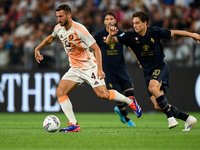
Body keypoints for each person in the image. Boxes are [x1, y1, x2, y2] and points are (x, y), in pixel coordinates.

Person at [34, 4, 142, 133]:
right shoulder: (58, 28)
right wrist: (37, 48)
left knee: (103, 94)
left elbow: (96, 49)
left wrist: (100, 69)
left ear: (69, 15)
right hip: (75, 68)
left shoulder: (80, 30)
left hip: (89, 66)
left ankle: (130, 101)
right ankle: (74, 124)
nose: (59, 19)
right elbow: (51, 38)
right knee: (60, 92)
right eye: (57, 16)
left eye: (61, 16)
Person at [106, 11, 199, 131]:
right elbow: (110, 42)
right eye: (134, 23)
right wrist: (110, 35)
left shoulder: (155, 31)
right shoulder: (129, 36)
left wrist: (193, 35)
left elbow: (175, 33)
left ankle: (171, 118)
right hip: (147, 71)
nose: (135, 25)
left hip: (160, 66)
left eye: (138, 23)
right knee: (157, 105)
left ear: (145, 23)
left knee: (153, 88)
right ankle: (188, 119)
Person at [94, 12, 136, 127]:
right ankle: (127, 120)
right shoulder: (98, 35)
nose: (109, 21)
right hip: (107, 70)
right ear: (104, 22)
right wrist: (96, 66)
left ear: (115, 21)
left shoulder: (121, 33)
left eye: (111, 19)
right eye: (107, 19)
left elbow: (130, 47)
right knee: (117, 94)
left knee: (130, 93)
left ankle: (119, 109)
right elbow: (93, 50)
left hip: (121, 68)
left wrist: (138, 59)